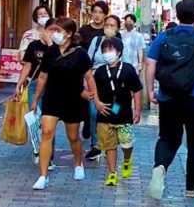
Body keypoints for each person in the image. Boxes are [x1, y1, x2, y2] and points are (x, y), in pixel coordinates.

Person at [145, 0, 194, 199]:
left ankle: (160, 167)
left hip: (169, 97)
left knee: (168, 138)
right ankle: (192, 187)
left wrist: (151, 91)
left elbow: (150, 64)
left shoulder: (163, 37)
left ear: (177, 15)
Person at [29, 18, 99, 190]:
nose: (54, 34)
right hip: (52, 97)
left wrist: (95, 99)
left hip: (73, 98)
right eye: (53, 30)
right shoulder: (50, 52)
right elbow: (43, 76)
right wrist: (36, 98)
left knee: (73, 137)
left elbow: (89, 77)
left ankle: (78, 163)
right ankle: (43, 175)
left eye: (58, 30)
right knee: (47, 133)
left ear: (68, 34)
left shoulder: (80, 53)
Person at [93, 37, 143, 187]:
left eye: (111, 50)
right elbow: (92, 90)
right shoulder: (100, 71)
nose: (107, 53)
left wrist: (137, 110)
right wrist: (97, 103)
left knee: (126, 144)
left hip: (124, 114)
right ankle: (112, 173)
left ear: (119, 52)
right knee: (109, 145)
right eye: (104, 50)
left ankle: (127, 160)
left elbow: (137, 90)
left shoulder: (128, 69)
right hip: (104, 114)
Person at [84, 15, 124, 160]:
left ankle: (111, 143)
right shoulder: (96, 42)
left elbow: (125, 66)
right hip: (95, 85)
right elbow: (87, 62)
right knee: (95, 113)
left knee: (114, 114)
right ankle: (96, 145)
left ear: (118, 28)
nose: (109, 28)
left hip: (115, 88)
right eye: (107, 25)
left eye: (112, 25)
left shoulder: (120, 44)